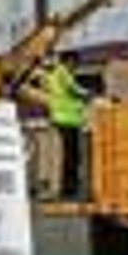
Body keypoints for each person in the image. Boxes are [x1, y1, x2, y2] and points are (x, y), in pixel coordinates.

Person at [30, 53, 91, 199]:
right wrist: (89, 94)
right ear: (69, 61)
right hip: (67, 120)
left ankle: (67, 188)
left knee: (68, 157)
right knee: (71, 158)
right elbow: (73, 89)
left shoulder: (54, 74)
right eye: (75, 63)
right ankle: (69, 189)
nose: (76, 67)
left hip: (64, 119)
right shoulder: (62, 72)